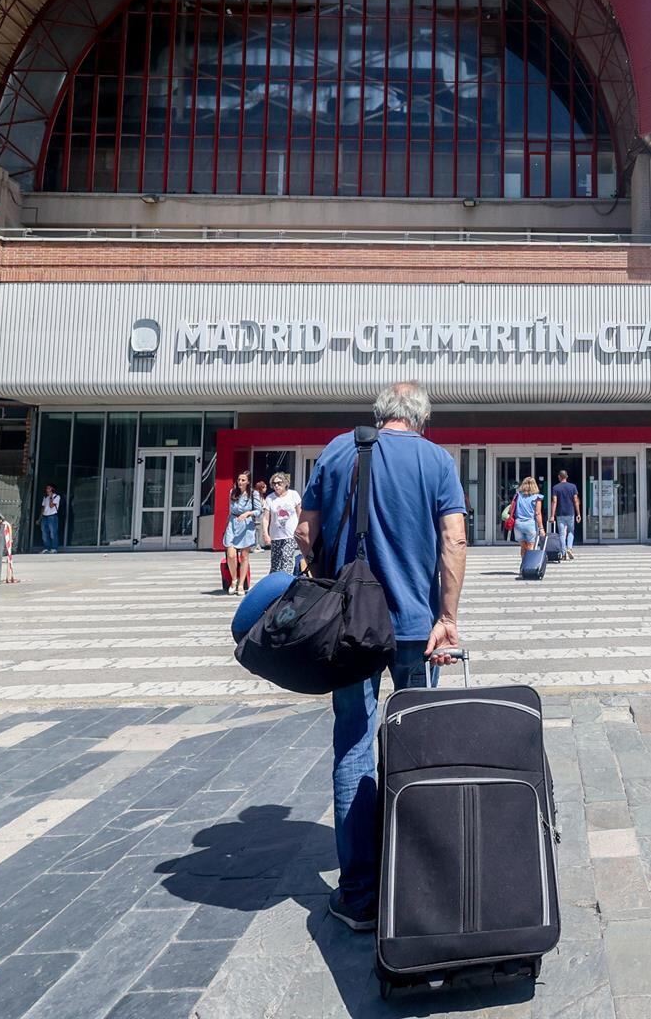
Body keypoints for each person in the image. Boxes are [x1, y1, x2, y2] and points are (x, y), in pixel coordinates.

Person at [293, 382, 466, 932]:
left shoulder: (338, 450)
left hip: (349, 626)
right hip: (416, 627)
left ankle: (360, 894)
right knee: (416, 743)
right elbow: (454, 541)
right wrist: (448, 617)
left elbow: (303, 532)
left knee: (353, 745)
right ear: (420, 420)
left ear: (379, 415)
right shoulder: (436, 460)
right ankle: (416, 879)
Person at [259, 472, 303, 577]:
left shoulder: (293, 494)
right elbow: (266, 518)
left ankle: (286, 585)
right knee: (275, 564)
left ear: (285, 483)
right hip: (276, 536)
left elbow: (299, 513)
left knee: (286, 560)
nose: (276, 486)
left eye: (279, 483)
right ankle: (274, 586)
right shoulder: (270, 498)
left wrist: (301, 529)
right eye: (274, 484)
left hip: (290, 535)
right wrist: (265, 533)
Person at [223, 471, 259, 594]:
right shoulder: (232, 492)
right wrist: (227, 524)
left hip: (246, 525)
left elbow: (259, 511)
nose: (240, 482)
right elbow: (229, 509)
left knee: (244, 556)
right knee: (231, 554)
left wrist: (248, 513)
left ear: (248, 481)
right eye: (239, 480)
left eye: (243, 480)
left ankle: (241, 585)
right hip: (233, 523)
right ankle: (234, 579)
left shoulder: (253, 494)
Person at [548, 470, 581, 560]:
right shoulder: (573, 487)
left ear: (559, 477)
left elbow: (554, 501)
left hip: (560, 513)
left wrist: (552, 515)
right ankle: (569, 548)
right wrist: (578, 513)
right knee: (571, 532)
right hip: (570, 512)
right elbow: (575, 500)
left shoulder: (555, 488)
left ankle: (563, 553)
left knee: (562, 534)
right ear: (567, 477)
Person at [511, 476, 545, 552]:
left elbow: (512, 508)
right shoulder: (536, 497)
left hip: (518, 524)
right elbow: (538, 513)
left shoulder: (517, 496)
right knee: (530, 547)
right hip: (530, 524)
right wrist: (541, 528)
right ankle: (529, 563)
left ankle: (524, 562)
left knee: (523, 547)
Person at [38, 483, 62, 553]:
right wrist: (40, 518)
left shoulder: (57, 497)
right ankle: (46, 547)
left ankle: (54, 548)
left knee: (53, 532)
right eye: (47, 488)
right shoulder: (45, 497)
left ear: (52, 489)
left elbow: (51, 506)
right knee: (44, 533)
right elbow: (43, 508)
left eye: (49, 488)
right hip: (45, 516)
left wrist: (51, 497)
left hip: (52, 516)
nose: (47, 490)